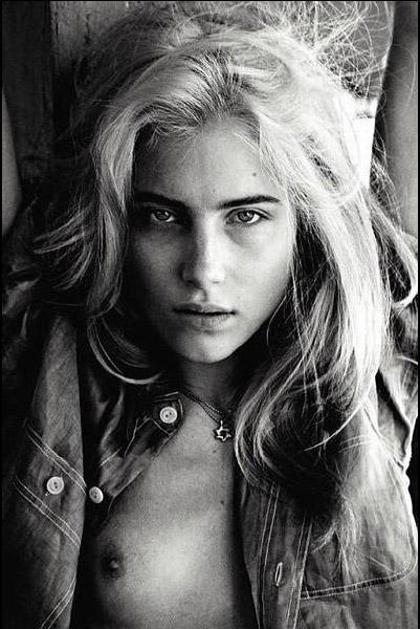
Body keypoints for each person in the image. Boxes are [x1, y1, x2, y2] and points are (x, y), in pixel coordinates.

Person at [2, 2, 418, 628]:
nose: (203, 269)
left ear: (303, 225)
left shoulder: (366, 366)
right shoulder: (54, 363)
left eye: (246, 215)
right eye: (162, 215)